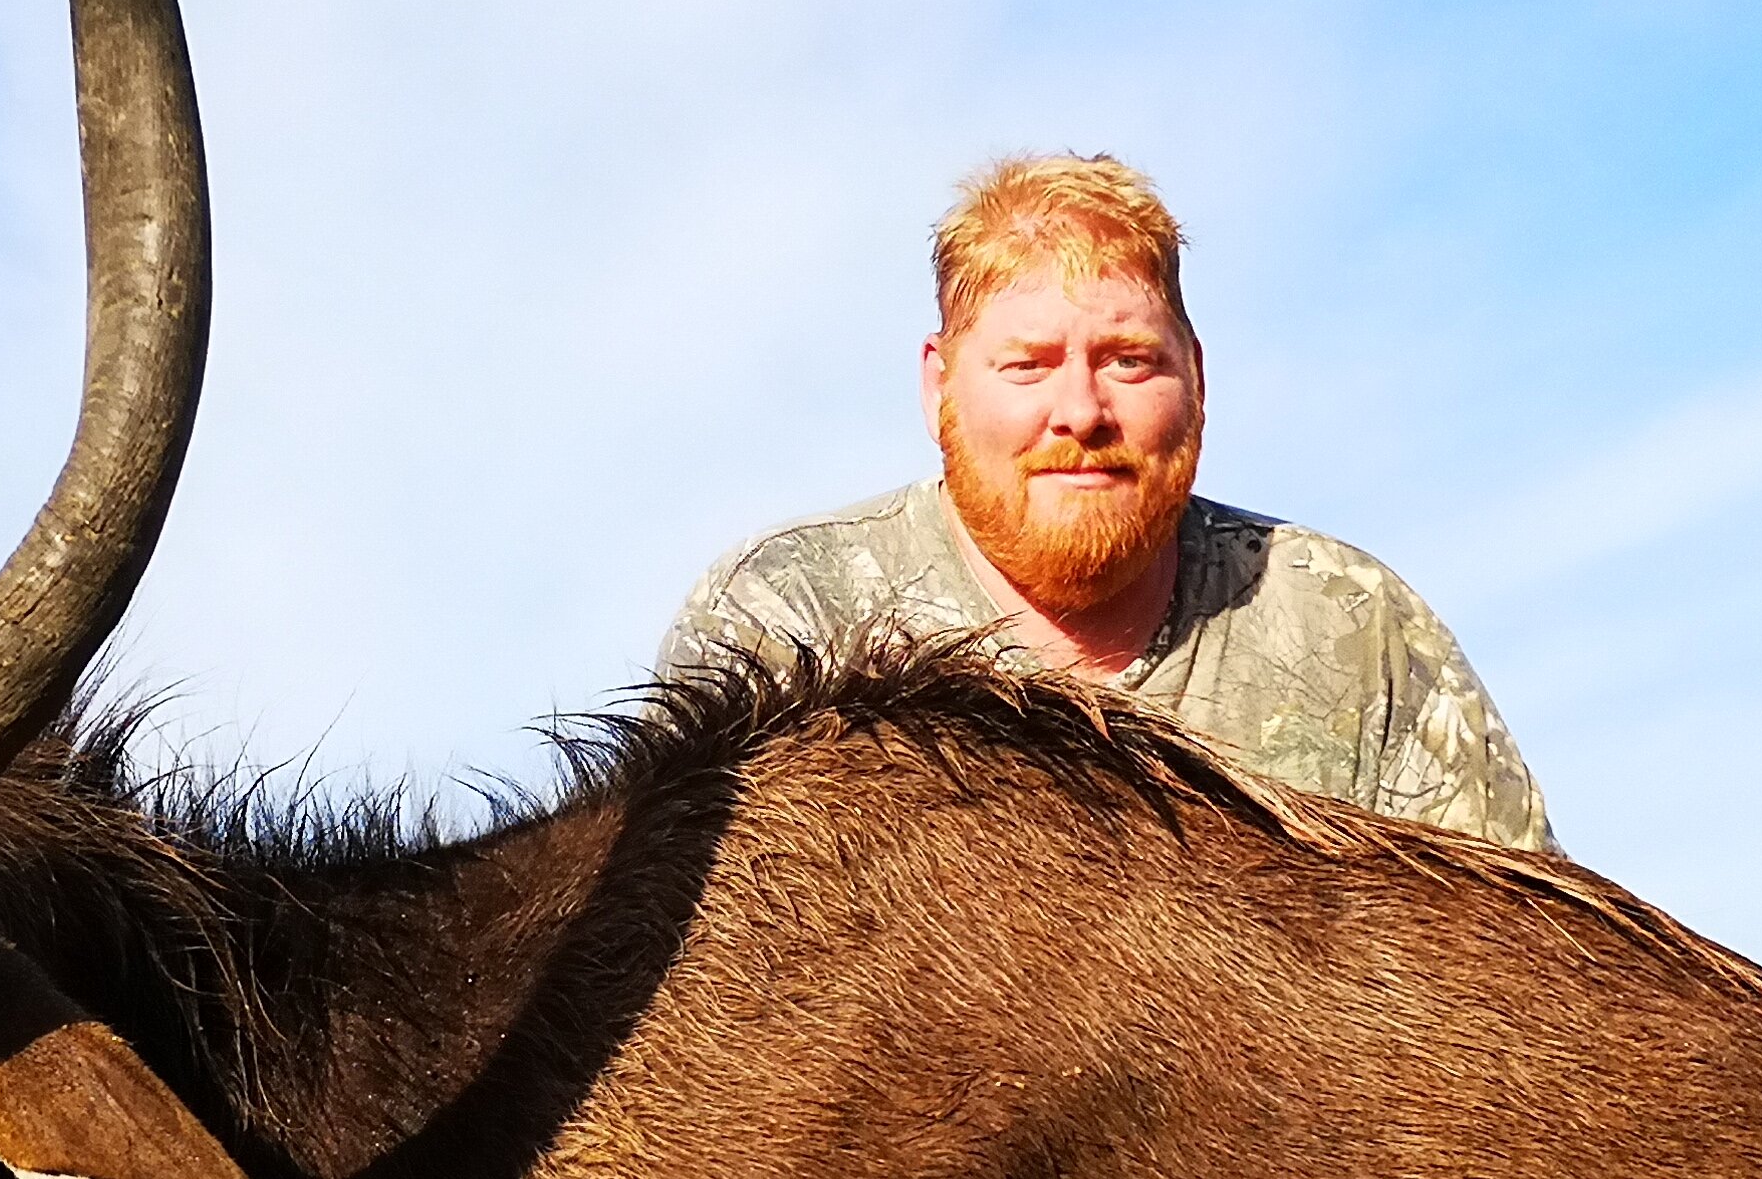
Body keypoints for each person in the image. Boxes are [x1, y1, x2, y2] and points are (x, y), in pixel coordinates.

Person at [660, 154, 1552, 847]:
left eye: (1129, 360)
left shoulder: (1353, 626)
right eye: (1028, 365)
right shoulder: (783, 621)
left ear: (1195, 380)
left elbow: (1518, 989)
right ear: (939, 387)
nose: (1081, 412)